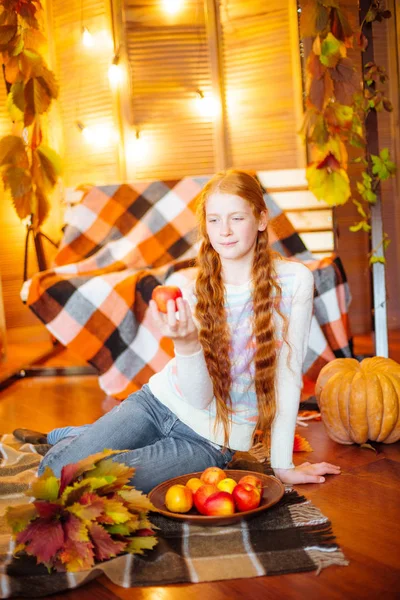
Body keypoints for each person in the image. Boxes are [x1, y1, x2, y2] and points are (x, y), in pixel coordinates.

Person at [34, 169, 340, 493]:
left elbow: (289, 375)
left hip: (208, 440)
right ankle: (80, 438)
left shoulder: (294, 281)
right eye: (214, 220)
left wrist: (283, 465)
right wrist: (186, 343)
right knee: (52, 473)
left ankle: (76, 437)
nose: (224, 231)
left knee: (88, 481)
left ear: (261, 219)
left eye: (236, 218)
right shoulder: (188, 285)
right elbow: (195, 392)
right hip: (155, 403)